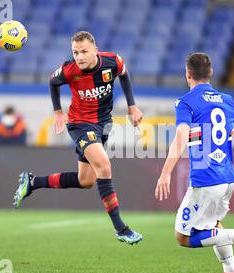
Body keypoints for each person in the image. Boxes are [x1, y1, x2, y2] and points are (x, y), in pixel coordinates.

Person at [13, 31, 144, 245]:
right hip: (80, 124)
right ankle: (121, 228)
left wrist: (132, 106)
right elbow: (52, 82)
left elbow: (125, 74)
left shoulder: (112, 61)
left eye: (84, 51)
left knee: (86, 181)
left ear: (95, 49)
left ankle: (32, 182)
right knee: (104, 166)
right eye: (75, 52)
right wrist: (57, 112)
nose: (79, 57)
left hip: (103, 124)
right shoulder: (69, 70)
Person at [155, 53, 234, 273]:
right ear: (211, 73)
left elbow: (181, 136)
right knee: (213, 224)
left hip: (206, 179)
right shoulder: (227, 100)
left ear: (188, 74)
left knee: (183, 237)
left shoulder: (186, 101)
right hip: (228, 178)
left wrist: (165, 172)